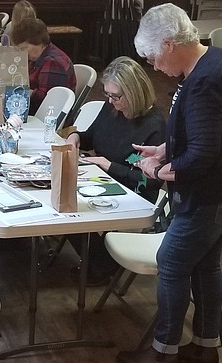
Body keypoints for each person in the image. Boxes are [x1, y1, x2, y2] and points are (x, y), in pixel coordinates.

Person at [114, 3, 222, 363]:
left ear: (168, 44)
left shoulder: (204, 83)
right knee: (204, 264)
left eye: (150, 56)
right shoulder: (210, 63)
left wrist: (159, 170)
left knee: (173, 261)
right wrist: (165, 149)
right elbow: (206, 135)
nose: (151, 65)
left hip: (217, 190)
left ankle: (165, 353)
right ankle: (204, 348)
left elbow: (201, 156)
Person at [63, 56, 166, 283]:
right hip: (102, 182)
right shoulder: (112, 110)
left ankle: (101, 265)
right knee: (63, 202)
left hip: (133, 194)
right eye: (107, 95)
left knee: (70, 211)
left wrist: (109, 165)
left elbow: (148, 181)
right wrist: (75, 135)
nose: (110, 101)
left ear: (134, 93)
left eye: (116, 96)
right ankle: (100, 261)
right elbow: (92, 138)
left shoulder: (154, 127)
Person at [11, 17, 76, 116]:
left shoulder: (52, 62)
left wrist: (27, 92)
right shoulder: (38, 57)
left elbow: (47, 100)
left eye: (24, 48)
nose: (22, 53)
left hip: (45, 117)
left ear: (38, 41)